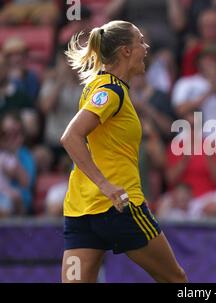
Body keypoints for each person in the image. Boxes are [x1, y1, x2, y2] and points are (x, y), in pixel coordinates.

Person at [60, 20, 187, 283]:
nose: (146, 47)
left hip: (81, 212)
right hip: (120, 208)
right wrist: (105, 184)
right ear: (125, 51)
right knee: (175, 280)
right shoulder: (111, 91)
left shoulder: (98, 87)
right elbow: (71, 137)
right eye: (140, 41)